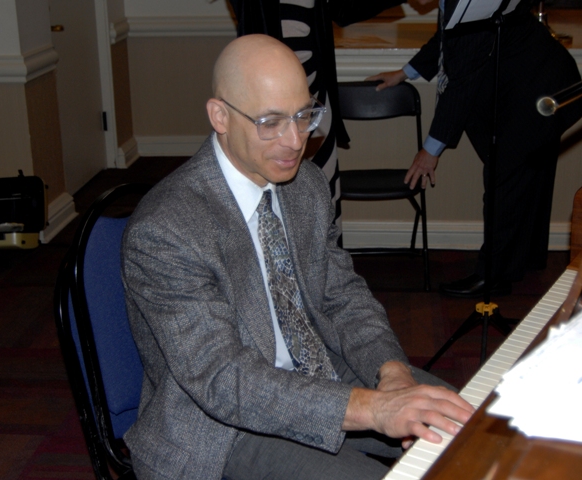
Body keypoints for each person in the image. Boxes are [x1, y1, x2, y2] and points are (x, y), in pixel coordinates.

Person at [121, 34, 473, 480]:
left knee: (474, 433)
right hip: (221, 426)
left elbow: (343, 297)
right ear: (220, 116)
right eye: (270, 121)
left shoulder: (305, 185)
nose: (295, 141)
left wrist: (392, 374)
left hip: (318, 369)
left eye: (304, 115)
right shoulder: (166, 229)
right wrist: (374, 408)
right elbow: (223, 380)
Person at [367, 0, 582, 298]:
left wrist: (430, 151)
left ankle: (493, 276)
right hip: (530, 81)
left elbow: (461, 81)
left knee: (503, 181)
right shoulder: (458, 3)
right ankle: (523, 260)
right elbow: (449, 39)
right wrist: (405, 72)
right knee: (522, 177)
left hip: (540, 88)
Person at [229, 0, 406, 229]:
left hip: (316, 98)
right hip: (266, 101)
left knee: (325, 193)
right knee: (274, 198)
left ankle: (326, 253)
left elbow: (342, 10)